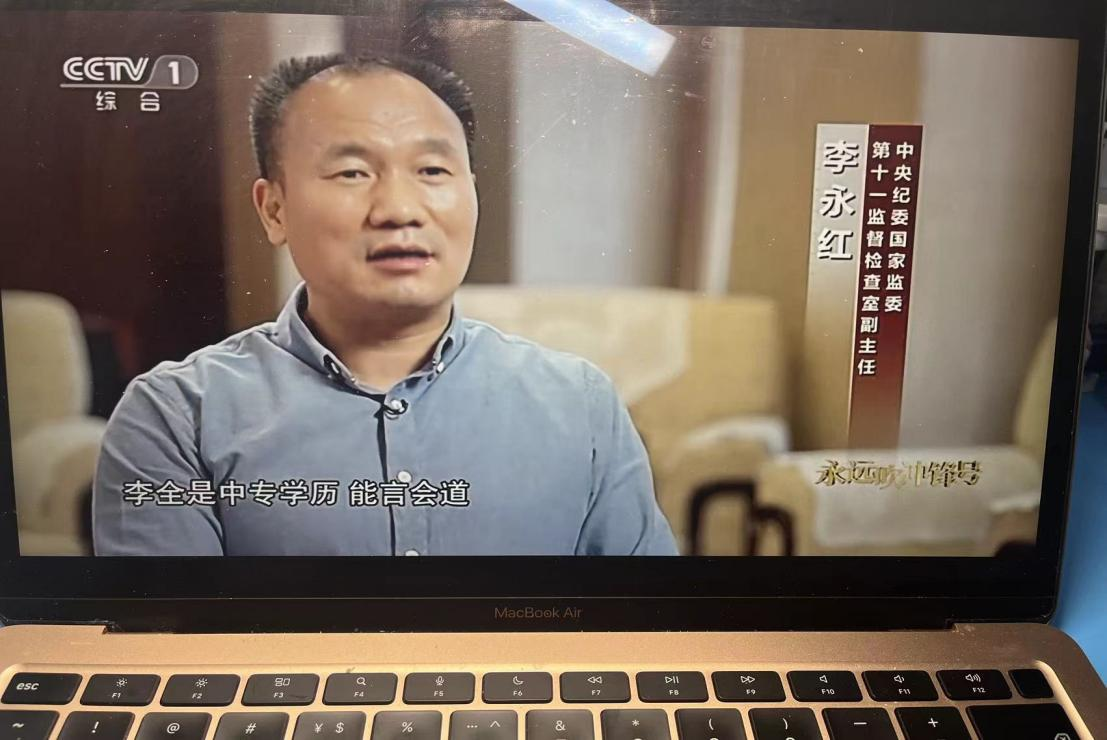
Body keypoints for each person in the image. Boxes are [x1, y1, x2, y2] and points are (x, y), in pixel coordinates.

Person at [92, 53, 677, 556]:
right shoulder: (176, 418)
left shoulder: (580, 404)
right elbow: (176, 639)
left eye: (432, 170)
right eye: (352, 172)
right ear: (274, 210)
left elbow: (647, 625)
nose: (399, 209)